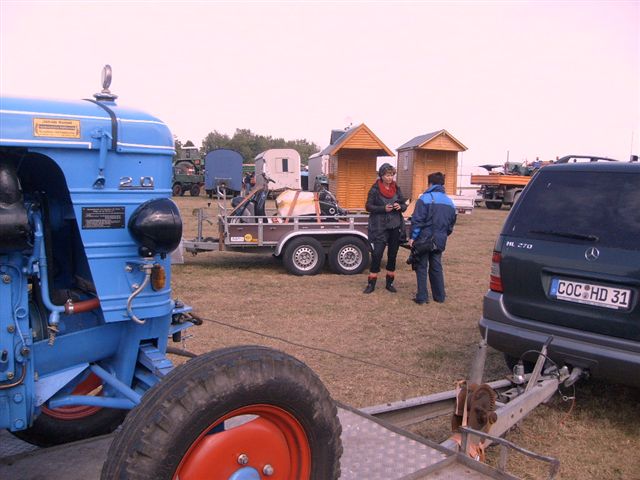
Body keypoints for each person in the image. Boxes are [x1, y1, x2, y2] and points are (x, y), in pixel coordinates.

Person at [409, 172, 456, 304]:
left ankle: (422, 297)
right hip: (440, 239)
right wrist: (443, 234)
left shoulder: (425, 198)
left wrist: (413, 237)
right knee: (436, 267)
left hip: (424, 239)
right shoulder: (450, 202)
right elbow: (451, 223)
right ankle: (439, 296)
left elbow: (417, 220)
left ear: (430, 183)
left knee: (421, 266)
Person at [363, 163, 407, 294]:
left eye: (391, 175)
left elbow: (404, 204)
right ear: (381, 175)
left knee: (392, 255)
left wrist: (400, 207)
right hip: (379, 226)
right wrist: (383, 208)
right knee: (377, 254)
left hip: (395, 225)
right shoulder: (375, 189)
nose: (390, 178)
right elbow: (368, 206)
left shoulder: (396, 188)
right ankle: (371, 283)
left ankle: (390, 283)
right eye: (387, 175)